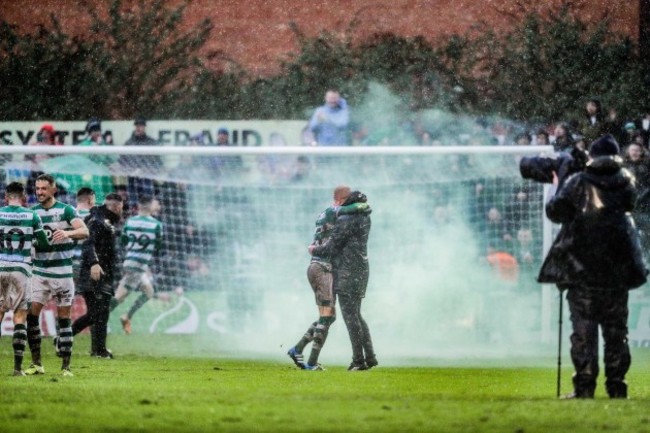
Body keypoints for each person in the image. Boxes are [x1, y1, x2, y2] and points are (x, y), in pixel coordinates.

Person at [538, 134, 648, 399]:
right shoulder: (627, 182)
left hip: (583, 268)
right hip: (617, 271)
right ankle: (617, 386)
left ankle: (585, 386)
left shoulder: (578, 181)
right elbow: (630, 206)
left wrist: (559, 181)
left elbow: (555, 211)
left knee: (584, 332)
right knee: (616, 332)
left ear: (593, 156)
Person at [287, 185, 370, 371]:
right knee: (327, 316)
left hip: (318, 265)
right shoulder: (339, 211)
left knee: (328, 317)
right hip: (322, 266)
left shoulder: (324, 213)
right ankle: (310, 363)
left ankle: (297, 349)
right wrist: (363, 205)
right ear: (341, 201)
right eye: (349, 200)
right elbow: (359, 208)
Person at [25, 174, 89, 377]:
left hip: (62, 273)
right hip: (39, 272)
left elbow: (85, 231)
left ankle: (66, 368)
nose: (40, 192)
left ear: (53, 190)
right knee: (31, 317)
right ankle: (37, 364)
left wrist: (68, 233)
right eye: (37, 189)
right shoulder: (31, 213)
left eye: (44, 189)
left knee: (64, 319)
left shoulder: (66, 210)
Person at [309, 188, 376, 371]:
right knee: (357, 315)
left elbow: (333, 246)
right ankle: (370, 357)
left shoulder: (346, 219)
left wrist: (314, 250)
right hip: (362, 270)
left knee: (350, 318)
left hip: (347, 271)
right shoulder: (365, 217)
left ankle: (358, 361)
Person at [0, 182, 49, 376]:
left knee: (1, 311)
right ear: (24, 197)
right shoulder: (32, 215)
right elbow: (43, 243)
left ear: (6, 197)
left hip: (1, 267)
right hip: (21, 270)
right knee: (20, 316)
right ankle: (17, 369)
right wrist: (34, 241)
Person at [71, 193, 124, 359]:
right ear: (116, 206)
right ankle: (64, 337)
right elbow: (88, 241)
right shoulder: (97, 218)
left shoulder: (108, 221)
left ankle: (99, 350)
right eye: (121, 207)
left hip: (106, 274)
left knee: (103, 314)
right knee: (95, 314)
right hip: (93, 272)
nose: (122, 211)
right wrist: (94, 263)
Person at [110, 196, 163, 334]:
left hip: (130, 262)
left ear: (138, 206)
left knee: (149, 292)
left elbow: (122, 241)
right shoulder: (157, 225)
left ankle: (126, 317)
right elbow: (158, 245)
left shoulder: (130, 221)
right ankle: (97, 318)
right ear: (151, 206)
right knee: (120, 296)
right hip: (139, 265)